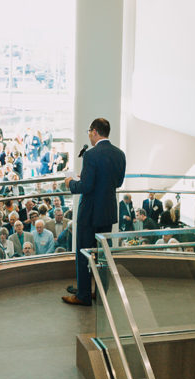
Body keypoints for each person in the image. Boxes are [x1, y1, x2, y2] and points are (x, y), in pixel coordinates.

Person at [63, 118, 126, 306]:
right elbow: (118, 182)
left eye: (89, 131)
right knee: (103, 255)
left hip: (89, 213)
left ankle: (83, 295)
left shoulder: (91, 155)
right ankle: (100, 293)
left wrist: (70, 183)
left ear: (95, 132)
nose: (89, 135)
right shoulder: (119, 154)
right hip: (107, 212)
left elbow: (86, 186)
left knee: (84, 253)